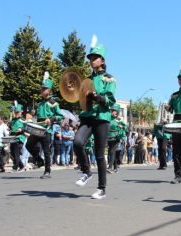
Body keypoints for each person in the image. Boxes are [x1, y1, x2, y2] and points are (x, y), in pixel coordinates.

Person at [73, 35, 116, 200]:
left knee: (99, 154)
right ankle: (86, 171)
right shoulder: (87, 80)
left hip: (102, 118)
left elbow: (110, 100)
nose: (92, 60)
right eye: (90, 58)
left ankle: (101, 189)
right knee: (77, 142)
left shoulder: (109, 79)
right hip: (87, 117)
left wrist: (96, 96)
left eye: (95, 57)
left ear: (102, 60)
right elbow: (81, 101)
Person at [26, 71, 64, 179]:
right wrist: (33, 114)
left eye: (44, 89)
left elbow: (60, 116)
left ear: (49, 90)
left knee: (46, 151)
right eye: (41, 89)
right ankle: (39, 160)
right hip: (37, 128)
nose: (42, 91)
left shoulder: (53, 103)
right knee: (28, 145)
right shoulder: (39, 103)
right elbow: (37, 117)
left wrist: (51, 119)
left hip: (47, 130)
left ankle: (47, 171)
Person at [107, 104, 126, 173]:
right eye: (111, 110)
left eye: (114, 110)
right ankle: (115, 168)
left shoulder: (119, 120)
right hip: (108, 137)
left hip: (116, 137)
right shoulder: (108, 118)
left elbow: (126, 127)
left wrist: (121, 126)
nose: (112, 112)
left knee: (112, 151)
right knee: (112, 152)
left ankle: (109, 167)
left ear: (117, 112)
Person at [9, 102, 26, 172]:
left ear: (21, 112)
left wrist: (21, 129)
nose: (16, 113)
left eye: (17, 112)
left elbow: (27, 128)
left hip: (19, 138)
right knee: (13, 153)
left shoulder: (23, 120)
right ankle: (21, 166)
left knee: (16, 153)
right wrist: (9, 129)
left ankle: (15, 168)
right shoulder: (12, 120)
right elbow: (11, 127)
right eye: (15, 112)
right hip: (12, 138)